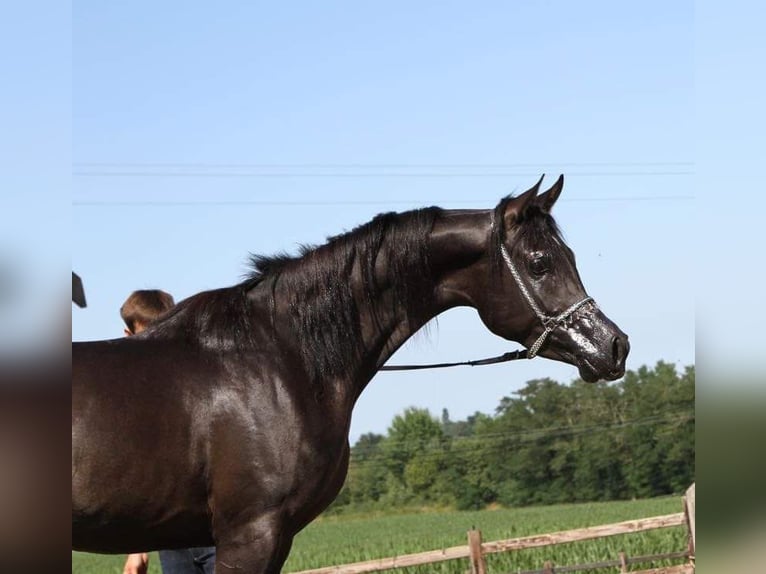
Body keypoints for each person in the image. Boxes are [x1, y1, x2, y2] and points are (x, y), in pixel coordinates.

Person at [120, 290, 216, 574]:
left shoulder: (201, 381)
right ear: (129, 336)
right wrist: (137, 550)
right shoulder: (131, 398)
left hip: (216, 533)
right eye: (148, 339)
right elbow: (141, 477)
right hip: (171, 540)